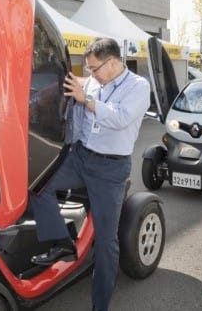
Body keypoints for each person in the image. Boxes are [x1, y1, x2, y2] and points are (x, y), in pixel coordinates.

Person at [28, 37, 151, 311]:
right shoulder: (94, 81)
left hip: (110, 169)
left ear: (114, 62)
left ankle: (100, 306)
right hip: (80, 157)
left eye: (95, 69)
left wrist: (88, 100)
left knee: (107, 243)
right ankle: (62, 243)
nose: (91, 75)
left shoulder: (138, 87)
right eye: (89, 70)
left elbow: (119, 118)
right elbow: (71, 90)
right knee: (38, 185)